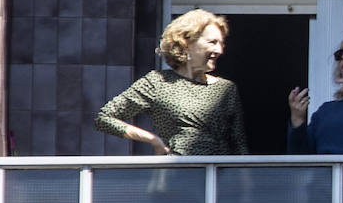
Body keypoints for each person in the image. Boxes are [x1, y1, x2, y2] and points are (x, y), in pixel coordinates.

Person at [95, 9, 248, 155]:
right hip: (178, 174)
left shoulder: (226, 89)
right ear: (187, 43)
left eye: (221, 44)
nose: (219, 50)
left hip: (219, 177)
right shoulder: (158, 82)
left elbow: (239, 145)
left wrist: (244, 180)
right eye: (212, 42)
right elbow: (104, 118)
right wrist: (153, 140)